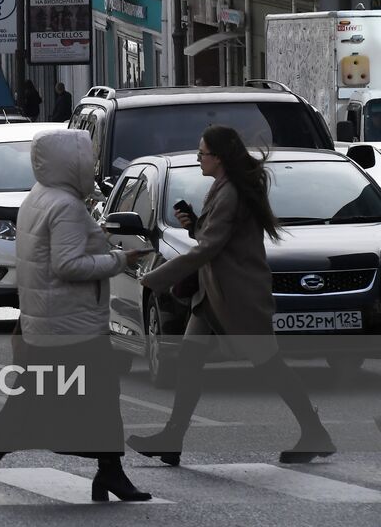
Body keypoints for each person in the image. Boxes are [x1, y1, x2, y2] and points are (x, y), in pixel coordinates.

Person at [0, 128, 153, 503]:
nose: (92, 164)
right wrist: (117, 260)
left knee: (37, 398)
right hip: (72, 323)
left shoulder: (38, 197)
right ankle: (107, 472)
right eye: (87, 157)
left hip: (49, 319)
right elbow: (68, 265)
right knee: (97, 398)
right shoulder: (65, 206)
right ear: (71, 161)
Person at [130, 125, 334, 465]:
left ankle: (314, 431)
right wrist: (194, 224)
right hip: (213, 294)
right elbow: (217, 240)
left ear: (220, 158)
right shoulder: (223, 188)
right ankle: (172, 437)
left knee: (271, 366)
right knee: (190, 360)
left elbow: (208, 249)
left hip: (238, 296)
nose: (199, 158)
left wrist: (156, 278)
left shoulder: (231, 193)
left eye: (203, 153)